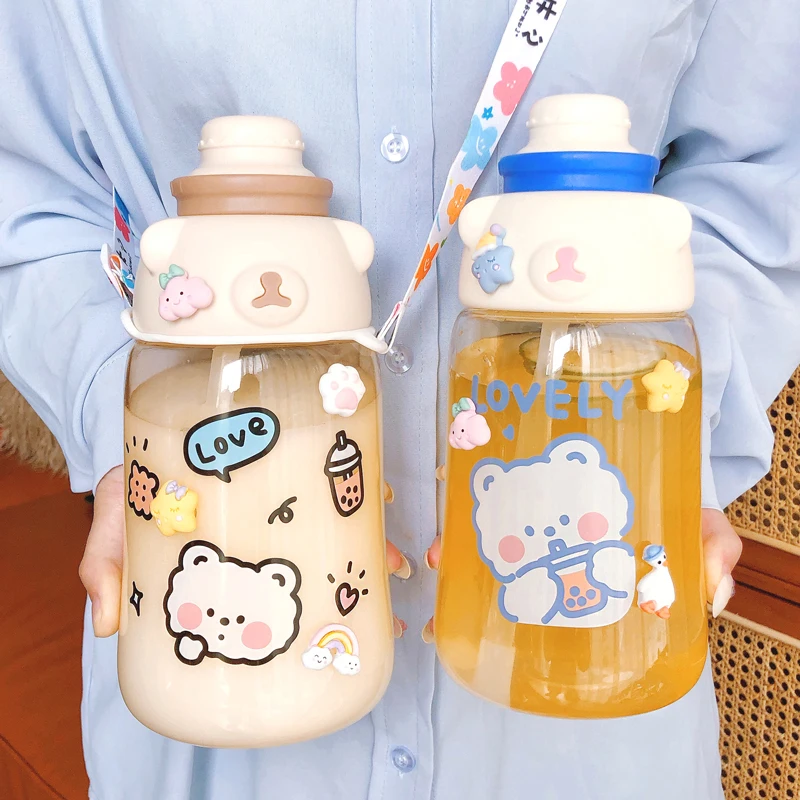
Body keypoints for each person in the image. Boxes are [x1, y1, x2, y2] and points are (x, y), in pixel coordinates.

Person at [1, 1, 798, 798]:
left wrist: (673, 443)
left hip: (594, 699)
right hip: (206, 662)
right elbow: (30, 194)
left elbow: (761, 180)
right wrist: (121, 434)